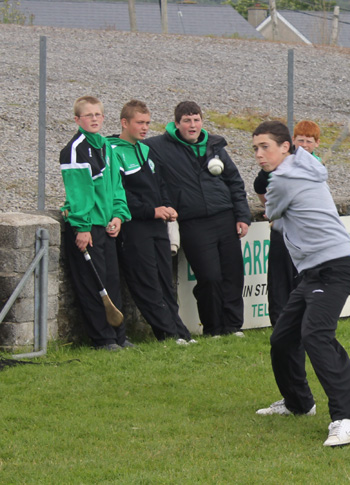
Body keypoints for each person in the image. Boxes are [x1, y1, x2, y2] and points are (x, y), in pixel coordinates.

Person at [253, 120, 350, 447]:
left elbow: (270, 211)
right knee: (283, 338)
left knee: (316, 334)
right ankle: (298, 403)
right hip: (313, 272)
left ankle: (347, 418)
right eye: (255, 148)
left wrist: (271, 194)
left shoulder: (284, 179)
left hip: (334, 268)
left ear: (286, 147)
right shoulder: (304, 167)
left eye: (265, 147)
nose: (259, 155)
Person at [144, 101, 251, 337]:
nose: (193, 125)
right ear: (177, 124)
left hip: (225, 217)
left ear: (202, 121)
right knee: (210, 277)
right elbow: (131, 143)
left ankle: (233, 326)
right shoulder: (159, 146)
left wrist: (243, 216)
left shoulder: (215, 146)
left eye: (196, 119)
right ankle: (213, 328)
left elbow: (235, 181)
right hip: (193, 223)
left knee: (233, 275)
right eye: (187, 121)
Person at [108, 100, 194, 344]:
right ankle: (167, 334)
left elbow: (161, 184)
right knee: (147, 283)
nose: (145, 128)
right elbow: (121, 193)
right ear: (125, 123)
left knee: (166, 282)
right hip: (135, 228)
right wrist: (152, 211)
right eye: (140, 123)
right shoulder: (113, 151)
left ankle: (181, 333)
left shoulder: (146, 150)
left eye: (147, 123)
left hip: (158, 225)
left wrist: (167, 207)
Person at [60, 95, 132, 351]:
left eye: (97, 115)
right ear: (77, 119)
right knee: (93, 286)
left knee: (111, 281)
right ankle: (103, 339)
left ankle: (119, 336)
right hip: (87, 229)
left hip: (106, 227)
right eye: (88, 115)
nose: (93, 119)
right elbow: (79, 194)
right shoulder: (74, 149)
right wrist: (82, 227)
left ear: (103, 117)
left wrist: (117, 215)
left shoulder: (106, 146)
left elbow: (116, 187)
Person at [253, 120, 322, 326]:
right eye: (300, 140)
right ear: (292, 142)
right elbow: (259, 186)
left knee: (303, 280)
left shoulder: (316, 168)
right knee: (279, 281)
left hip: (305, 235)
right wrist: (272, 211)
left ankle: (304, 321)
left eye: (308, 141)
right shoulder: (274, 169)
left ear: (316, 143)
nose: (304, 145)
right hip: (281, 233)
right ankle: (279, 323)